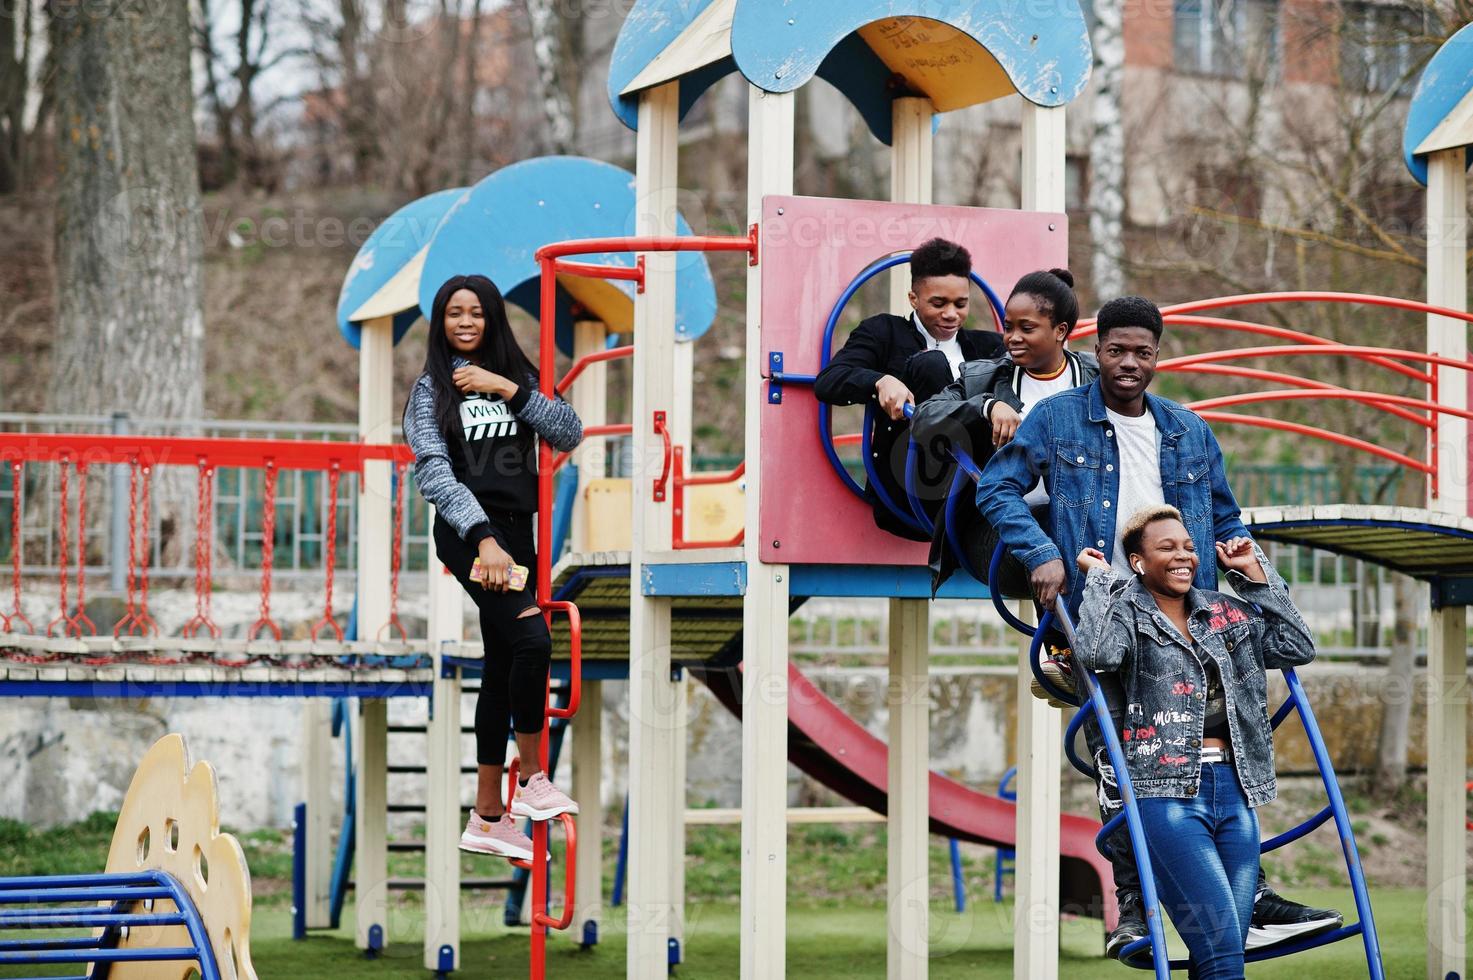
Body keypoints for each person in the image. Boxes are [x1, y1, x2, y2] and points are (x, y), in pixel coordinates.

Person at [975, 295, 1342, 955]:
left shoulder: (1188, 431)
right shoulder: (1057, 419)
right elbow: (995, 487)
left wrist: (1247, 573)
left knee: (1221, 741)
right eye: (1116, 350)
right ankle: (1136, 907)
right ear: (1098, 349)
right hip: (1106, 610)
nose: (1127, 363)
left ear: (1156, 355)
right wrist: (1040, 553)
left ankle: (1243, 892)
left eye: (1141, 352)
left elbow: (1226, 519)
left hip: (1185, 618)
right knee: (1124, 753)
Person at [1073, 506, 1316, 979]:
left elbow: (1296, 645)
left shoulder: (1223, 611)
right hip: (1165, 795)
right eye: (1166, 547)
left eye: (1187, 546)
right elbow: (1097, 652)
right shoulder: (1127, 611)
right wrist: (1100, 580)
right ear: (1138, 561)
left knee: (1217, 955)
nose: (1183, 555)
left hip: (1236, 791)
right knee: (1225, 951)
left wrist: (1253, 573)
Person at [403, 273, 584, 862]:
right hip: (470, 535)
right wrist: (481, 537)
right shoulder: (430, 391)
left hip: (518, 535)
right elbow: (432, 469)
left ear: (492, 321)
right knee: (534, 639)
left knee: (505, 659)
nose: (465, 323)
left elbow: (568, 431)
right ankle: (531, 778)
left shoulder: (518, 379)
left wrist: (506, 387)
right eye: (454, 313)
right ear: (440, 320)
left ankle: (487, 815)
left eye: (476, 313)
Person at [911, 268, 1095, 596]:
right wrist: (985, 406)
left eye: (1027, 328)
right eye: (1009, 327)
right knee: (1058, 540)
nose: (1012, 338)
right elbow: (923, 419)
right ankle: (1067, 640)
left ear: (1060, 330)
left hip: (1083, 525)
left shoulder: (1095, 380)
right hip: (999, 532)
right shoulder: (985, 378)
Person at [813, 237, 1004, 539]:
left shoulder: (987, 347)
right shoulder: (884, 332)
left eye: (961, 304)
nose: (951, 314)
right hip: (908, 487)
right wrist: (879, 380)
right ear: (913, 299)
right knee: (932, 364)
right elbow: (830, 381)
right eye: (938, 303)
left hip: (970, 486)